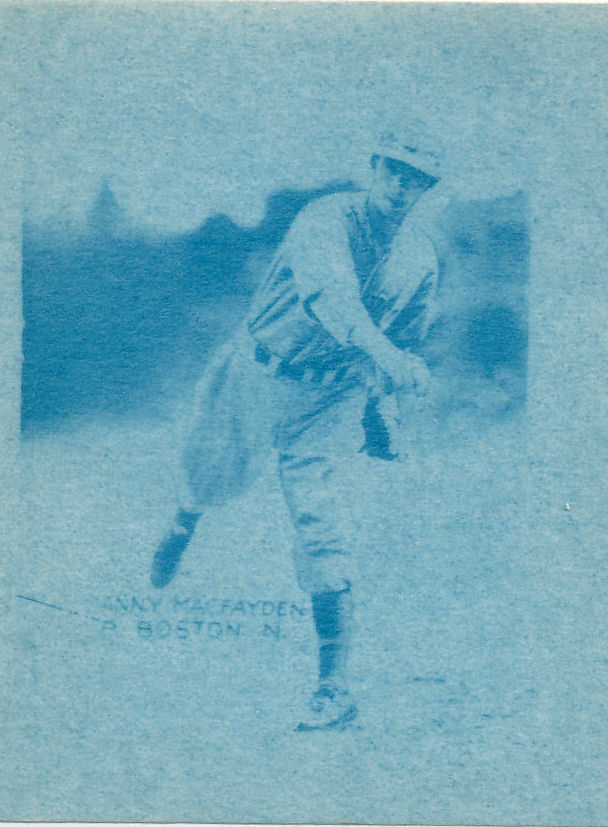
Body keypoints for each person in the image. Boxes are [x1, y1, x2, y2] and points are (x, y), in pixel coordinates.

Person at [151, 130, 444, 731]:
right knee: (209, 479)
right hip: (256, 373)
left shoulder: (420, 259)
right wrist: (389, 358)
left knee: (321, 524)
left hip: (329, 396)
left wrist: (382, 408)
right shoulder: (325, 220)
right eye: (393, 169)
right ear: (374, 167)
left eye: (415, 178)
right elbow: (332, 300)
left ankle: (333, 687)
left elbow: (405, 342)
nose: (400, 184)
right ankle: (184, 520)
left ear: (426, 189)